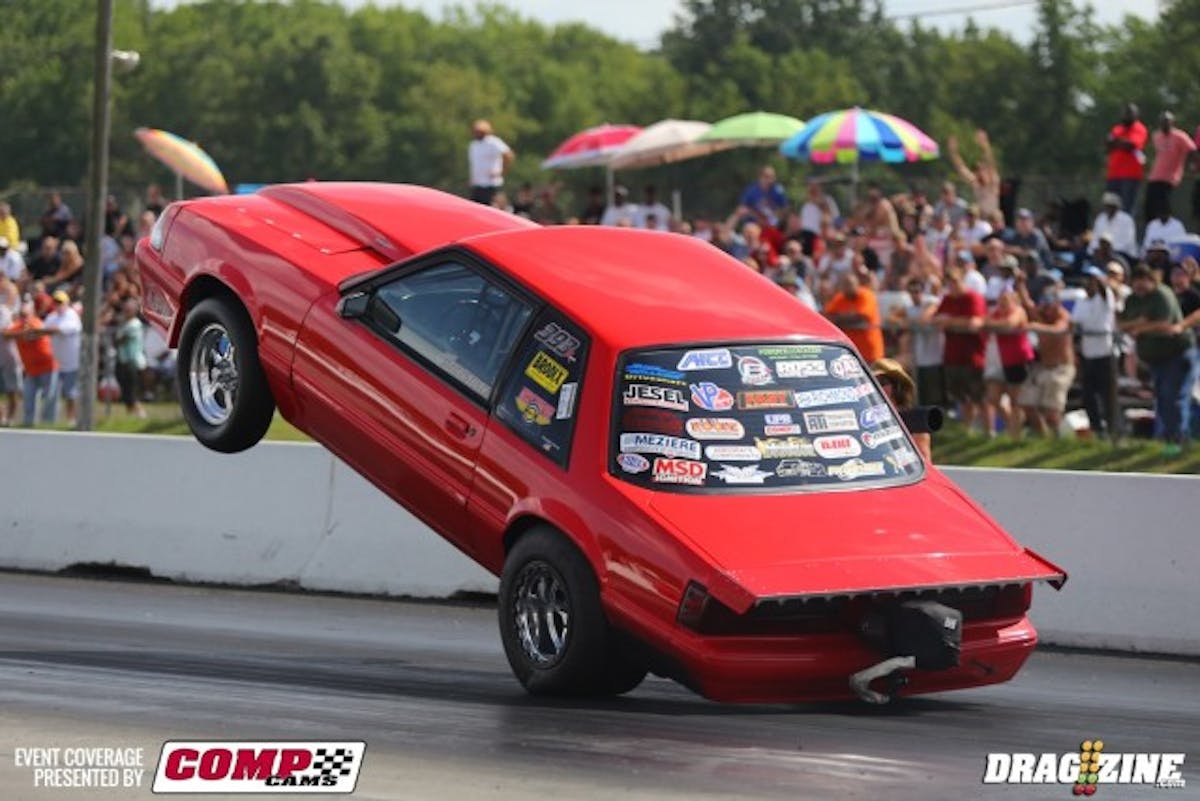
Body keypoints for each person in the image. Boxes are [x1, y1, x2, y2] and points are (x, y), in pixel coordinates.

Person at [1118, 264, 1194, 456]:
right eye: (1136, 282)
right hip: (1156, 361)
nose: (1139, 286)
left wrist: (1141, 327)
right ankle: (1167, 440)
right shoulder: (1133, 299)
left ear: (1152, 280)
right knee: (1162, 398)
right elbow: (1121, 324)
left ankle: (1179, 442)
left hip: (1177, 355)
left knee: (1174, 398)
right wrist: (1140, 322)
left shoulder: (1162, 295)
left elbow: (1165, 324)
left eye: (1144, 281)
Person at [935, 264, 987, 433]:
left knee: (978, 395)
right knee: (961, 396)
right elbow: (936, 320)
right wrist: (957, 322)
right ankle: (968, 429)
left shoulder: (972, 298)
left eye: (955, 282)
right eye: (949, 283)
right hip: (952, 354)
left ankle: (988, 430)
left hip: (972, 354)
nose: (952, 286)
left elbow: (974, 323)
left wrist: (950, 322)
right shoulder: (947, 299)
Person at [1018, 286, 1074, 437]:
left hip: (1061, 368)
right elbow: (1027, 303)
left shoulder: (1063, 316)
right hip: (1043, 367)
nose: (1046, 309)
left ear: (1056, 303)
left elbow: (1058, 329)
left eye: (1049, 305)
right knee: (1026, 403)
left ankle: (1060, 440)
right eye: (1044, 305)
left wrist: (1036, 327)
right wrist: (1020, 284)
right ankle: (1043, 436)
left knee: (1052, 411)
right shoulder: (1041, 314)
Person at [1071, 265, 1118, 436]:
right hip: (1088, 353)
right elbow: (1076, 324)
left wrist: (1100, 279)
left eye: (1092, 280)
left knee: (1108, 396)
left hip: (1104, 352)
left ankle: (1114, 432)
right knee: (1088, 396)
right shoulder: (1082, 301)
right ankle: (1097, 430)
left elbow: (1106, 291)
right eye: (1086, 280)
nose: (1088, 283)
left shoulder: (1105, 298)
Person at [983, 289, 1033, 438]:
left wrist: (996, 325)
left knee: (1016, 400)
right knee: (993, 398)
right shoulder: (997, 313)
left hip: (1019, 359)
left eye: (1006, 300)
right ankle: (1012, 428)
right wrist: (999, 325)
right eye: (1001, 300)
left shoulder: (1018, 311)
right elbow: (984, 323)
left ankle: (1016, 435)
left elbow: (1010, 325)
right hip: (1003, 360)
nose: (1002, 303)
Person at [892, 275, 946, 406]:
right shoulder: (910, 308)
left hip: (935, 356)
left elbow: (924, 319)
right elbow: (891, 318)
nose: (914, 294)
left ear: (923, 291)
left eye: (917, 291)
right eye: (911, 291)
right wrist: (906, 322)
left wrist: (907, 323)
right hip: (920, 357)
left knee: (935, 394)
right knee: (922, 394)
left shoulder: (931, 301)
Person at [3, 302, 58, 426]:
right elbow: (5, 334)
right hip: (30, 370)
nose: (24, 318)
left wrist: (22, 333)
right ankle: (28, 424)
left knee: (49, 397)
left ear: (32, 314)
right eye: (21, 315)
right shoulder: (19, 326)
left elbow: (31, 335)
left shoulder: (36, 322)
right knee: (28, 397)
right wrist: (20, 332)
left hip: (47, 367)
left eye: (26, 315)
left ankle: (48, 424)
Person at [872, 358, 932, 463]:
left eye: (882, 382)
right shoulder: (863, 418)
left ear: (897, 386)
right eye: (873, 381)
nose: (877, 386)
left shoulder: (914, 421)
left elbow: (926, 466)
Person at [1145, 111, 1197, 224]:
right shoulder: (1156, 136)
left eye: (1167, 122)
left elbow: (1192, 150)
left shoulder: (1180, 136)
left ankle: (1167, 231)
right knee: (1149, 206)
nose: (1164, 124)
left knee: (1163, 207)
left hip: (1169, 177)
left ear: (1172, 123)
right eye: (1162, 122)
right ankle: (1152, 230)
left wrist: (1192, 165)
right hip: (1155, 176)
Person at [824, 270, 884, 363]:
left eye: (851, 284)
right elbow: (827, 317)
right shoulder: (840, 298)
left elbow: (862, 317)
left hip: (870, 352)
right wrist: (850, 316)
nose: (848, 287)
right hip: (848, 352)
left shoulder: (867, 295)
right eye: (845, 284)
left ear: (857, 284)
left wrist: (839, 318)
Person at [42, 290, 82, 426]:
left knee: (70, 393)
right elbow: (45, 330)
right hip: (55, 362)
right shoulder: (51, 317)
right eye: (56, 302)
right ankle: (50, 421)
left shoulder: (72, 316)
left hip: (72, 362)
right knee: (52, 393)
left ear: (66, 303)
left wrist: (46, 330)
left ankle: (71, 420)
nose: (58, 304)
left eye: (60, 302)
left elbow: (57, 330)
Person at [947, 129, 1001, 219]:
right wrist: (953, 152)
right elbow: (961, 168)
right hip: (981, 218)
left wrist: (985, 146)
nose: (980, 173)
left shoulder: (992, 182)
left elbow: (991, 163)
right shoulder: (976, 183)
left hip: (995, 218)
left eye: (982, 170)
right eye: (977, 171)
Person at [1105, 102, 1148, 216]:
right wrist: (1121, 142)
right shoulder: (1117, 128)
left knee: (1126, 210)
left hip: (1130, 175)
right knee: (1110, 207)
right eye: (1126, 113)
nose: (1127, 115)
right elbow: (1108, 145)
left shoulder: (1140, 128)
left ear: (1136, 115)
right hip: (1113, 174)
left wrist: (1116, 142)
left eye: (1130, 113)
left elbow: (1130, 146)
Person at [466, 119, 513, 205]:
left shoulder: (493, 142)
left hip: (491, 184)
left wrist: (502, 172)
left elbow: (508, 155)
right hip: (478, 185)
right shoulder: (473, 145)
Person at [114, 299, 147, 419]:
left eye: (128, 310)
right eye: (125, 309)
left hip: (133, 361)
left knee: (132, 390)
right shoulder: (125, 324)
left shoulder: (135, 324)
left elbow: (121, 340)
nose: (125, 312)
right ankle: (130, 414)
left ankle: (140, 413)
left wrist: (118, 339)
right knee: (126, 390)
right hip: (123, 360)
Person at [1088, 192, 1137, 263]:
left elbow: (1126, 243)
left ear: (1116, 207)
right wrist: (1094, 249)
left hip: (1123, 253)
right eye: (1106, 206)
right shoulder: (1100, 218)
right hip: (1103, 252)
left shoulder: (1126, 219)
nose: (1108, 208)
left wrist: (1109, 250)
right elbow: (1095, 238)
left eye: (1111, 206)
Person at [799, 180, 838, 255]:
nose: (812, 189)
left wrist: (818, 202)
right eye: (811, 186)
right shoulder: (806, 204)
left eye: (815, 186)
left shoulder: (827, 199)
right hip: (806, 235)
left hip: (820, 234)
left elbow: (832, 215)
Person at [0, 284, 19, 426]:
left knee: (12, 389)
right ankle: (2, 417)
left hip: (9, 358)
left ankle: (10, 418)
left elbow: (4, 333)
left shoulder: (3, 311)